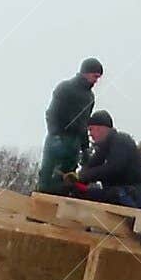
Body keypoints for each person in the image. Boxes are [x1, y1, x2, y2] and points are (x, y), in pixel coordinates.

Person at [62, 110, 141, 210]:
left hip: (138, 196)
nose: (90, 134)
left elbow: (114, 168)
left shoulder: (121, 141)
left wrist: (83, 176)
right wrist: (76, 180)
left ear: (100, 128)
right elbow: (91, 166)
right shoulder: (104, 148)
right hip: (122, 193)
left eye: (91, 129)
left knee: (107, 194)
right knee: (80, 193)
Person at [39, 57, 103, 193]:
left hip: (74, 142)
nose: (96, 80)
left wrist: (85, 148)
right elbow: (51, 113)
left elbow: (84, 124)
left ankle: (60, 202)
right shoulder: (65, 88)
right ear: (85, 73)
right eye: (95, 76)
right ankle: (42, 198)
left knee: (67, 179)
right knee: (48, 177)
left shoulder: (89, 97)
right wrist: (55, 133)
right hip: (58, 138)